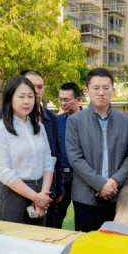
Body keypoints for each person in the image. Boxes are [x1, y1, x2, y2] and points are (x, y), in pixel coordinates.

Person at [0, 70, 64, 227]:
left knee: (38, 241)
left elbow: (48, 161)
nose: (27, 101)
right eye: (21, 97)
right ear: (10, 99)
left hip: (41, 189)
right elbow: (3, 172)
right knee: (14, 243)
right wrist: (36, 197)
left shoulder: (39, 127)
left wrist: (43, 194)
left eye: (31, 97)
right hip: (13, 193)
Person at [65, 68, 128, 232]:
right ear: (87, 91)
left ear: (113, 91)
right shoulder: (75, 121)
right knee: (87, 248)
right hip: (86, 198)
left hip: (117, 196)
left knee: (115, 247)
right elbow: (75, 158)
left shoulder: (123, 120)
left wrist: (114, 181)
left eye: (106, 88)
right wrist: (101, 184)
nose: (101, 92)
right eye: (96, 88)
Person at [54, 81, 83, 228]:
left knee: (83, 217)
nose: (62, 103)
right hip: (63, 177)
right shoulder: (56, 121)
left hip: (83, 177)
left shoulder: (90, 120)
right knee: (55, 217)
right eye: (60, 99)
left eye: (66, 100)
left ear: (79, 99)